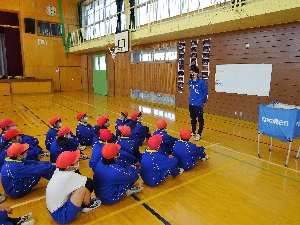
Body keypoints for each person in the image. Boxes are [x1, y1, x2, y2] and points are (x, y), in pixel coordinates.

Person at [46, 150, 101, 224]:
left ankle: (84, 202)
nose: (78, 161)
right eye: (76, 161)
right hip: (61, 215)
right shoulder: (68, 176)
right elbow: (90, 183)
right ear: (69, 167)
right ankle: (88, 205)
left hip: (54, 210)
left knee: (79, 185)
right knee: (83, 188)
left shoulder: (58, 171)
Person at [188, 66, 208, 140]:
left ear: (196, 73)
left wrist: (201, 101)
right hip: (191, 103)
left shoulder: (202, 82)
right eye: (190, 72)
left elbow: (205, 93)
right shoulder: (190, 82)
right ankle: (193, 131)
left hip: (198, 104)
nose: (191, 74)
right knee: (193, 118)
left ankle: (199, 133)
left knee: (200, 119)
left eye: (192, 72)